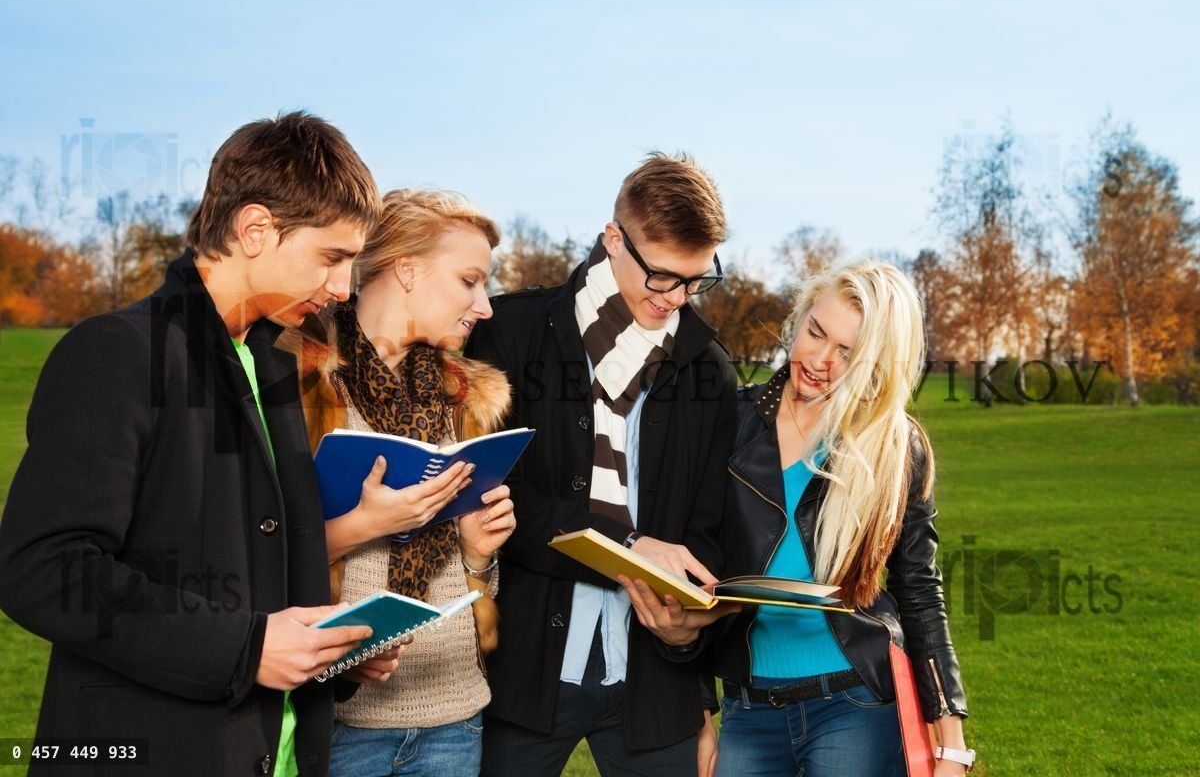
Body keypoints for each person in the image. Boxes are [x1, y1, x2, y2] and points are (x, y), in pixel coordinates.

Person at [0, 111, 401, 776]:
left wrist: (330, 649)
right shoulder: (116, 353)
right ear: (253, 229)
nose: (342, 287)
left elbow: (259, 579)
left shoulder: (273, 365)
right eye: (331, 257)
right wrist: (244, 649)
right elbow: (45, 569)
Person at [464, 152, 739, 776]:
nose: (678, 299)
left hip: (652, 688)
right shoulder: (510, 334)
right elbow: (495, 500)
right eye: (664, 277)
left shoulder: (709, 369)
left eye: (697, 280)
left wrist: (694, 670)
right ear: (613, 238)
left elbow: (705, 531)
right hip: (521, 673)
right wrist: (631, 545)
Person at [702, 260, 974, 776]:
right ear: (798, 317)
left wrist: (951, 739)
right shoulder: (727, 422)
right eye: (815, 332)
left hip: (856, 705)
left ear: (875, 364)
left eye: (847, 352)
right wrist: (698, 713)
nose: (820, 360)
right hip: (747, 707)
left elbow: (919, 589)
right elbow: (688, 561)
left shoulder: (895, 446)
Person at [280, 188, 517, 777]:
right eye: (469, 280)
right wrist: (367, 525)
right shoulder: (297, 383)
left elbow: (476, 583)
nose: (483, 306)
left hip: (456, 717)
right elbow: (256, 551)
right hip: (337, 720)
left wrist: (478, 553)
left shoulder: (469, 399)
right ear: (406, 270)